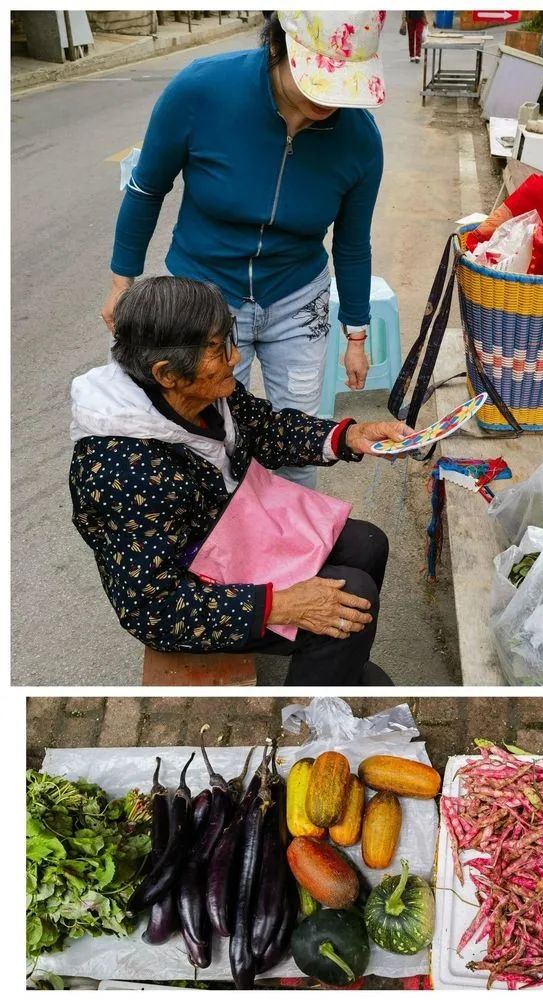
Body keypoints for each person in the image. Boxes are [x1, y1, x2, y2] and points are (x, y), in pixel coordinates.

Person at [72, 277, 409, 687]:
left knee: (367, 543)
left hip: (232, 533)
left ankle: (336, 666)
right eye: (218, 349)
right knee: (352, 592)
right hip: (192, 585)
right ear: (166, 374)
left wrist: (349, 436)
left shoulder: (202, 392)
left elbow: (265, 428)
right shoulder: (125, 471)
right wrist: (278, 605)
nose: (234, 357)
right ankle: (308, 711)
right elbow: (152, 610)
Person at [101, 11, 388, 488]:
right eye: (319, 79)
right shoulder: (202, 90)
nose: (328, 99)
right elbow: (147, 188)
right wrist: (121, 282)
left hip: (297, 298)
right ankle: (223, 531)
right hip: (205, 295)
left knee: (302, 440)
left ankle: (296, 533)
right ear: (280, 44)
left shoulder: (360, 140)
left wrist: (356, 336)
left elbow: (353, 243)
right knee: (208, 438)